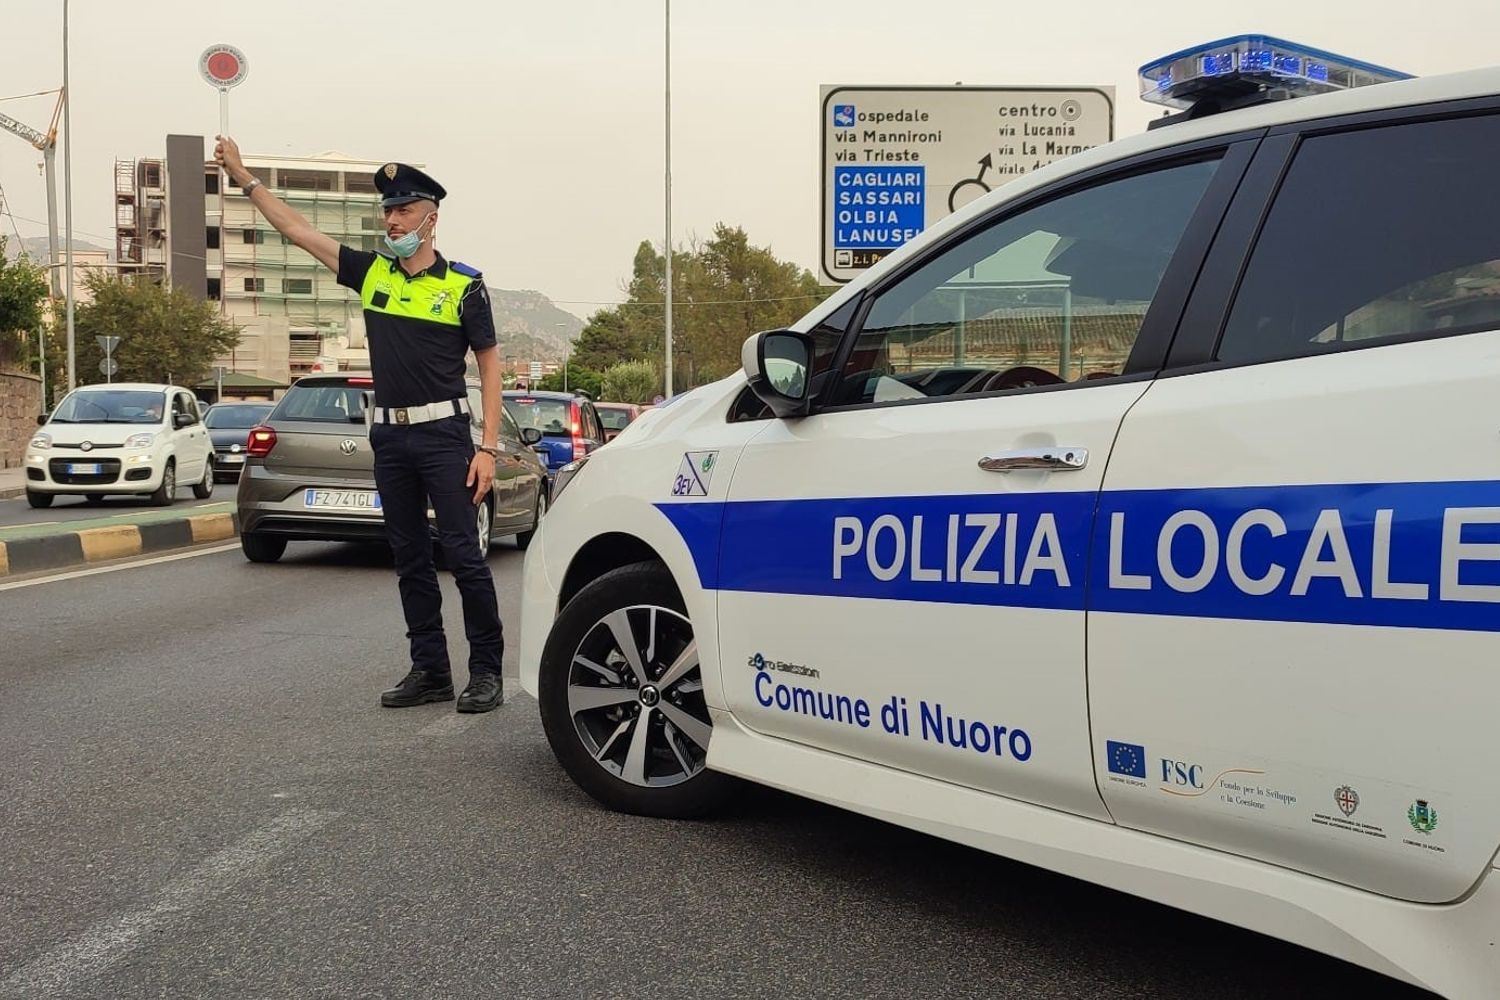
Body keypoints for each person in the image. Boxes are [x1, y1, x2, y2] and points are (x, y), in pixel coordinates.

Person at [215, 137, 506, 713]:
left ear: (431, 219)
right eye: (388, 210)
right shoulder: (372, 274)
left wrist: (489, 448)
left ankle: (486, 672)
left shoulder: (463, 286)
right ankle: (430, 670)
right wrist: (244, 178)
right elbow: (298, 231)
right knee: (409, 557)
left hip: (446, 436)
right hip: (390, 438)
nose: (392, 219)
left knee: (464, 556)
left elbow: (491, 366)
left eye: (403, 209)